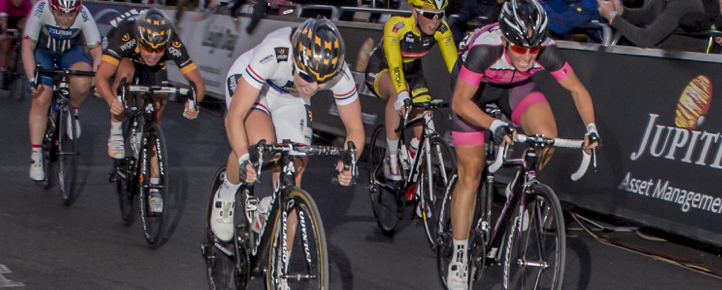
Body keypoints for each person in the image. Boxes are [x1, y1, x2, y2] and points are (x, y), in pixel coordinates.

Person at [444, 0, 600, 288]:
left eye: (534, 49)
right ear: (505, 39)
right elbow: (460, 103)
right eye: (519, 48)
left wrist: (591, 128)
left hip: (515, 87)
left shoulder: (546, 50)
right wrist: (494, 124)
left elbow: (577, 89)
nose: (528, 57)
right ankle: (459, 256)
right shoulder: (485, 49)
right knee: (471, 172)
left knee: (546, 138)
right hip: (473, 93)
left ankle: (519, 188)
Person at [209, 19, 365, 242]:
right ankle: (225, 194)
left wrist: (350, 160)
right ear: (294, 60)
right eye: (308, 76)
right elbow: (234, 116)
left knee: (295, 164)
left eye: (323, 82)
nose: (314, 87)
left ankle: (277, 237)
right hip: (256, 84)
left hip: (291, 97)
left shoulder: (337, 71)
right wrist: (244, 158)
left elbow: (355, 128)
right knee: (259, 142)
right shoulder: (275, 52)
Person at [95, 8, 205, 213]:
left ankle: (154, 188)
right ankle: (116, 131)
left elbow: (197, 82)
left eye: (159, 50)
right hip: (126, 57)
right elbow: (101, 77)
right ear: (139, 40)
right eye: (148, 49)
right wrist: (111, 101)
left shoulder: (173, 42)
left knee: (156, 117)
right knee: (125, 76)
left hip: (153, 70)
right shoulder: (127, 35)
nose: (153, 55)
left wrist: (194, 102)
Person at [364, 0, 456, 182]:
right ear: (415, 12)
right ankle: (391, 157)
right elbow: (395, 64)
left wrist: (465, 92)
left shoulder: (442, 29)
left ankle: (414, 167)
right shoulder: (397, 26)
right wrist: (402, 93)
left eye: (439, 16)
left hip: (413, 72)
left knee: (426, 118)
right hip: (383, 68)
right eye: (429, 15)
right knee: (399, 91)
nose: (434, 21)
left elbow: (455, 67)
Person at [24, 0, 101, 182]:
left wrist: (97, 80)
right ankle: (36, 155)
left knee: (83, 80)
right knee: (41, 98)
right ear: (52, 9)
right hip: (43, 53)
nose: (66, 19)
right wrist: (32, 80)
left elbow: (97, 52)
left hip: (71, 53)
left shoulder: (84, 13)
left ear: (77, 11)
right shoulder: (40, 8)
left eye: (71, 15)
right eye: (60, 14)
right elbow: (27, 47)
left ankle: (73, 113)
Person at [597, 0, 707, 52]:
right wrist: (621, 11)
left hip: (685, 66)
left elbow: (645, 39)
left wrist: (612, 17)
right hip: (665, 60)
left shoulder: (683, 3)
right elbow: (643, 16)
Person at [0, 0, 31, 90]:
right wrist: (4, 33)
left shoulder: (26, 2)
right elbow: (4, 19)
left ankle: (17, 55)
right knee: (5, 48)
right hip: (7, 21)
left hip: (20, 21)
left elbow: (30, 19)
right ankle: (4, 73)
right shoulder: (4, 1)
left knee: (24, 26)